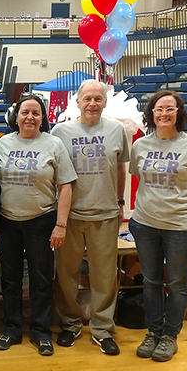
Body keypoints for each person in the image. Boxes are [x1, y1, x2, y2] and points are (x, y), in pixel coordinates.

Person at [129, 90, 187, 363]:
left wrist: (186, 207)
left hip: (181, 228)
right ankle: (153, 332)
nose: (163, 114)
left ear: (179, 113)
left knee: (176, 284)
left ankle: (170, 336)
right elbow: (137, 179)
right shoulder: (140, 145)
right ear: (151, 114)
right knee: (151, 281)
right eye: (158, 109)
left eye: (169, 108)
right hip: (145, 225)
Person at [50, 80, 129, 356]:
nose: (92, 103)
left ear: (105, 102)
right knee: (66, 274)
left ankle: (102, 329)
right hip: (69, 217)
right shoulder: (61, 131)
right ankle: (70, 324)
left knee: (104, 277)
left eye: (98, 98)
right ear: (78, 102)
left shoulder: (117, 130)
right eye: (87, 99)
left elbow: (120, 169)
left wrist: (120, 203)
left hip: (105, 213)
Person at [0, 95, 76, 356]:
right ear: (15, 117)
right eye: (24, 112)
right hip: (8, 221)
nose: (30, 117)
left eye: (36, 113)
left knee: (41, 280)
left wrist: (60, 225)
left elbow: (65, 186)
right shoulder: (2, 144)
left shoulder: (54, 144)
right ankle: (12, 329)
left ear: (43, 117)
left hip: (41, 221)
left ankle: (41, 332)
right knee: (10, 279)